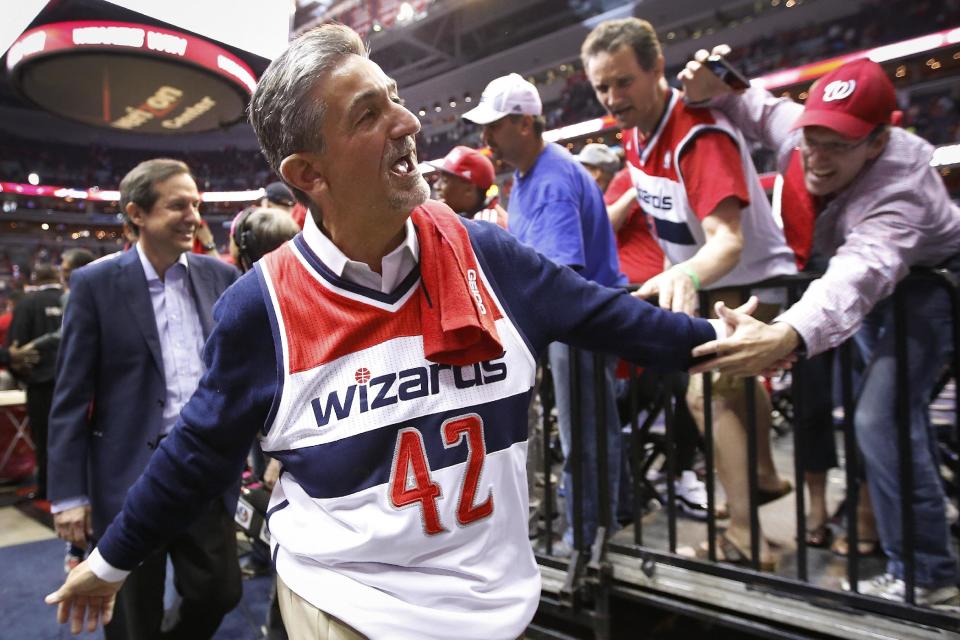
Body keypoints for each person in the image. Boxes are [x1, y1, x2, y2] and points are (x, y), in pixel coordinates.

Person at [45, 24, 755, 639]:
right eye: (367, 114)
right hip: (343, 606)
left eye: (395, 97)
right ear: (307, 174)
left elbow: (612, 317)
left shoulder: (485, 253)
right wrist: (109, 563)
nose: (407, 122)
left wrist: (744, 337)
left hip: (494, 605)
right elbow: (196, 452)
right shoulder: (262, 306)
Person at [684, 51, 960, 605]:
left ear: (878, 141)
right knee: (891, 424)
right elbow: (761, 109)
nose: (818, 156)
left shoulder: (900, 188)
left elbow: (858, 276)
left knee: (881, 419)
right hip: (883, 288)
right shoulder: (807, 132)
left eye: (839, 145)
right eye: (814, 139)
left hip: (930, 286)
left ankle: (929, 572)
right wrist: (713, 88)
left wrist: (786, 332)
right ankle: (921, 554)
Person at [581, 17, 796, 569]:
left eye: (623, 82)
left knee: (707, 392)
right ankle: (764, 478)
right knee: (732, 386)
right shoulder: (634, 136)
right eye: (602, 87)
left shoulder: (698, 133)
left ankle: (748, 537)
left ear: (657, 70)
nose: (612, 97)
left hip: (745, 280)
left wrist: (686, 275)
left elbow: (727, 240)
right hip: (714, 282)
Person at [46, 158, 242, 638]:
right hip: (127, 478)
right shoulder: (95, 284)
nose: (193, 216)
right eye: (178, 205)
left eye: (196, 204)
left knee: (219, 592)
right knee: (133, 618)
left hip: (201, 471)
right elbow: (71, 397)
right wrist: (68, 496)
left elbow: (235, 376)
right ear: (136, 214)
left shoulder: (219, 277)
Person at [462, 72, 627, 553]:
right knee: (590, 431)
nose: (485, 137)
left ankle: (588, 537)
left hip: (581, 325)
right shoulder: (530, 176)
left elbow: (559, 276)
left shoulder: (552, 178)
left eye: (493, 125)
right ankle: (601, 522)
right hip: (574, 324)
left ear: (523, 123)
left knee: (586, 435)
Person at [6, 263, 63, 502]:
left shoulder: (28, 304)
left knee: (44, 438)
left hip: (42, 384)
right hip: (79, 383)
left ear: (35, 279)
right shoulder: (73, 298)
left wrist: (19, 371)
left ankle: (47, 488)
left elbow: (15, 348)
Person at [428, 145, 508, 227]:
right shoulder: (473, 219)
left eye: (445, 181)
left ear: (469, 189)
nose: (436, 186)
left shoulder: (486, 227)